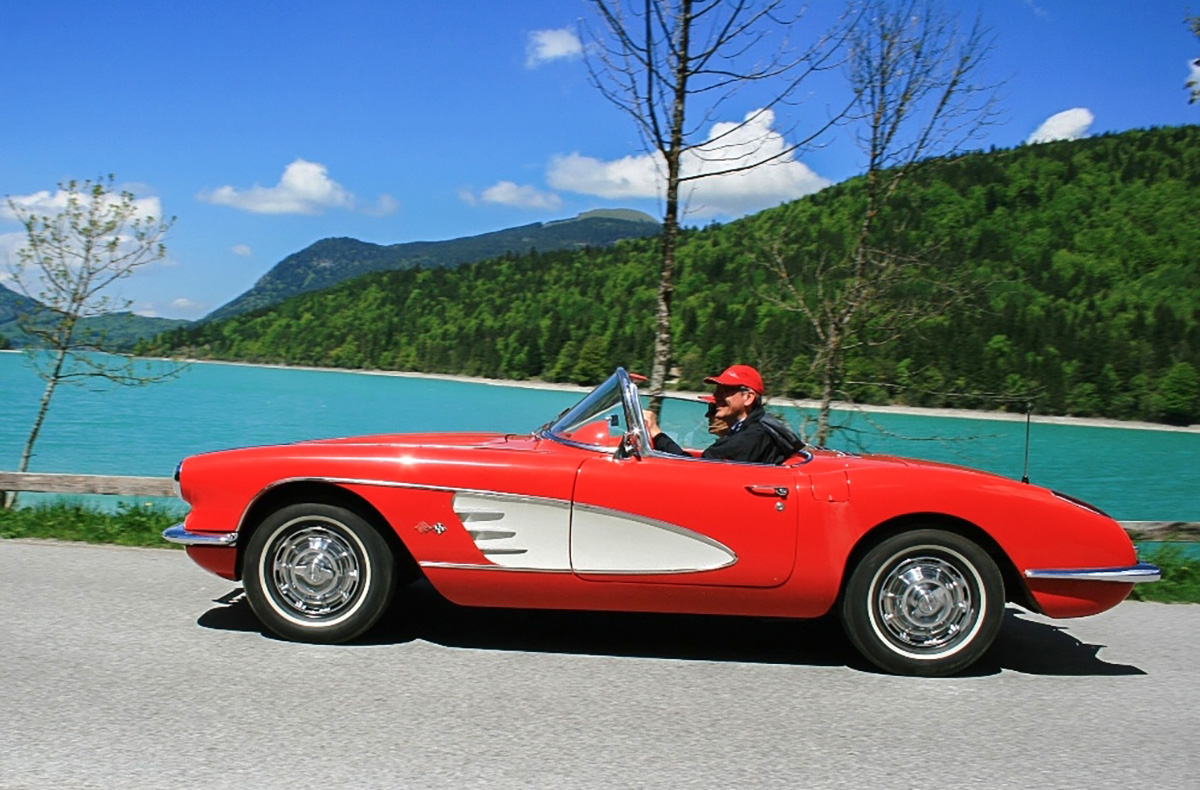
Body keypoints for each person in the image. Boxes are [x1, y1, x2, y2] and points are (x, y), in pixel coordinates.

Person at [643, 364, 803, 465]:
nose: (717, 397)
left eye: (725, 391)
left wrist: (656, 434)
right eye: (716, 391)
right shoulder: (752, 429)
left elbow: (695, 469)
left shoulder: (751, 436)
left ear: (748, 397)